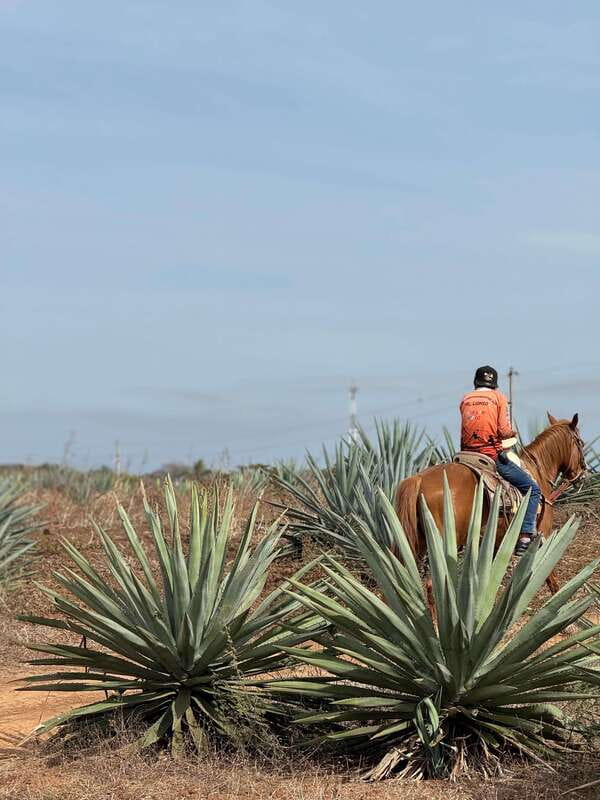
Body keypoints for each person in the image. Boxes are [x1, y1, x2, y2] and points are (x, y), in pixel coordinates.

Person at [460, 365, 541, 556]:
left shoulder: (465, 398)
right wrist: (512, 433)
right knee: (533, 489)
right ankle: (525, 536)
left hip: (465, 455)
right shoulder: (499, 398)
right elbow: (503, 431)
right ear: (494, 384)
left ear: (476, 382)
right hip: (489, 455)